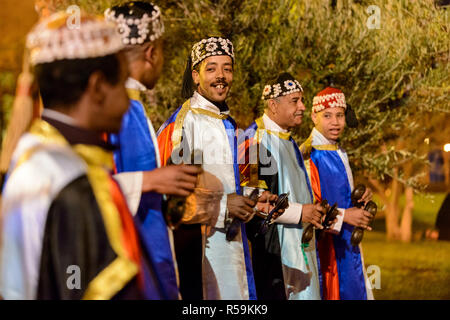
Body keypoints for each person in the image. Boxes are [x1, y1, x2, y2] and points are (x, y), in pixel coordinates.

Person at [0, 12, 158, 299]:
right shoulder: (77, 184)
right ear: (98, 87)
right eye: (121, 84)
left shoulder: (33, 155)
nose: (126, 101)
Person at [157, 36, 281, 300]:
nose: (221, 76)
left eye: (227, 68)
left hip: (236, 250)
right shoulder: (181, 126)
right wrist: (225, 205)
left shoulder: (231, 125)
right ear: (196, 76)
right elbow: (169, 200)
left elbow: (237, 187)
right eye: (211, 68)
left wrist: (254, 201)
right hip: (201, 257)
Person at [105, 2, 201, 300]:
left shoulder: (130, 106)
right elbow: (87, 190)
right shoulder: (115, 109)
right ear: (151, 52)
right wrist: (151, 181)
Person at [238, 73, 325, 299]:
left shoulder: (288, 139)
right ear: (273, 105)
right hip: (274, 258)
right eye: (295, 101)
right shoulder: (254, 141)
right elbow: (253, 202)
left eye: (301, 100)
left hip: (301, 249)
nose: (303, 107)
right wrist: (302, 212)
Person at [300, 87, 374, 300]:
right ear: (314, 116)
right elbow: (309, 205)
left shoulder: (336, 150)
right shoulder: (310, 155)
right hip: (326, 249)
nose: (335, 122)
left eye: (339, 115)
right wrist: (346, 216)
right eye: (327, 115)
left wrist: (358, 198)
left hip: (347, 244)